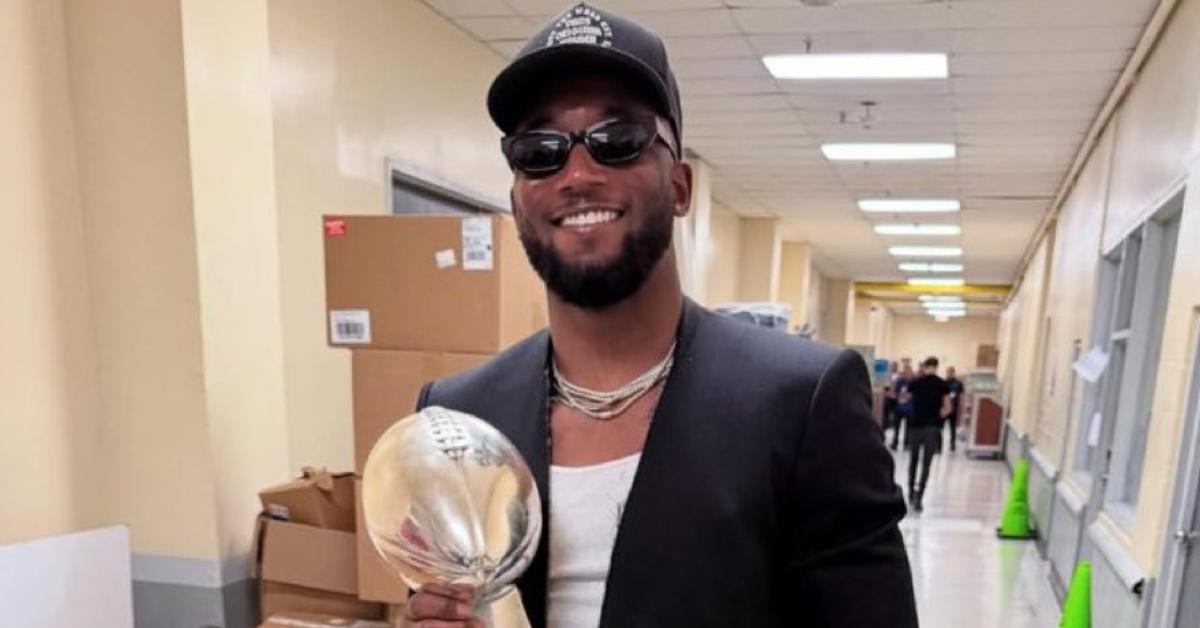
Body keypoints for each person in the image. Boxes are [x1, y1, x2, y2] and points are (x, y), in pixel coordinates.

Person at [404, 4, 917, 627]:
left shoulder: (801, 402)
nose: (577, 174)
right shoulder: (461, 419)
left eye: (617, 141)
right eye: (540, 150)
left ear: (678, 185)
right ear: (516, 200)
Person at [905, 356, 952, 512]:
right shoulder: (942, 385)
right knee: (926, 463)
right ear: (937, 367)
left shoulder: (915, 383)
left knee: (913, 460)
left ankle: (910, 492)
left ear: (924, 366)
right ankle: (920, 497)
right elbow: (948, 408)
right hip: (932, 428)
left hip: (914, 426)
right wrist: (938, 416)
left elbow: (905, 399)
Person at [890, 359, 915, 451]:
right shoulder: (899, 381)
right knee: (897, 428)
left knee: (908, 429)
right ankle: (895, 443)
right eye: (905, 371)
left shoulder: (914, 382)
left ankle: (906, 444)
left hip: (909, 409)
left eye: (908, 371)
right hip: (899, 408)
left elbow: (915, 395)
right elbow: (894, 393)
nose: (906, 373)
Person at [944, 366, 965, 452]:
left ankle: (952, 444)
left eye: (951, 372)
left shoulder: (958, 383)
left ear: (953, 373)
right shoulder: (943, 382)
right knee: (940, 427)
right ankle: (938, 444)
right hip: (945, 408)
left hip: (954, 408)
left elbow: (962, 395)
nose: (949, 374)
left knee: (952, 427)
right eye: (948, 372)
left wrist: (961, 409)